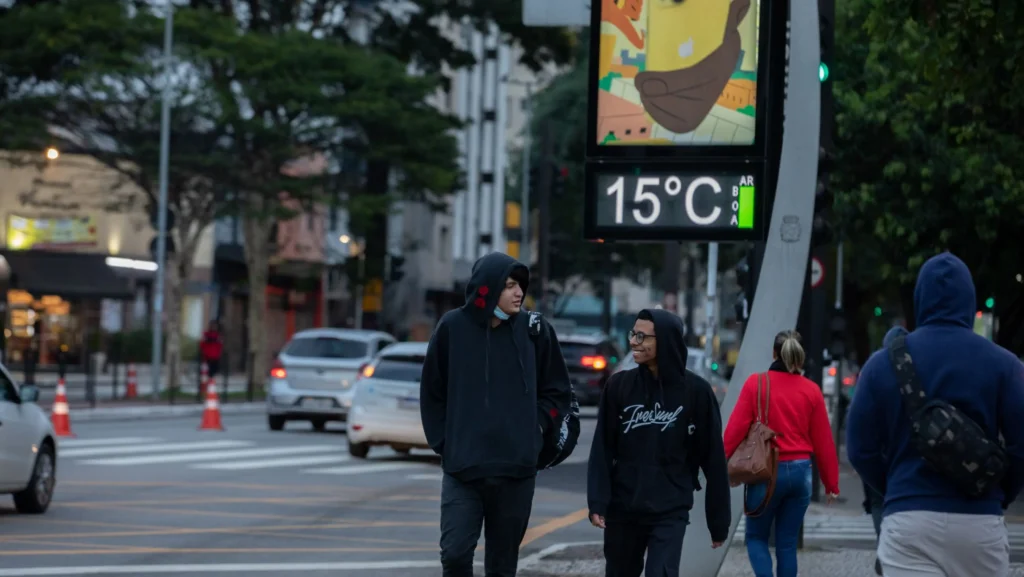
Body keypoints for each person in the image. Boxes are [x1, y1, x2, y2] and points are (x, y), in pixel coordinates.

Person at [847, 252, 1024, 577]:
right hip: (979, 523)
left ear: (920, 300)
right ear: (969, 301)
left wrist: (897, 487)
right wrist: (998, 490)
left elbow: (860, 449)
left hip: (909, 521)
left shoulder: (881, 365)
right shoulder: (1006, 365)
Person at [419, 252, 573, 577]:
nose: (519, 292)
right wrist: (446, 443)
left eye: (521, 285)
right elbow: (432, 392)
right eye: (509, 285)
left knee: (502, 567)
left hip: (516, 472)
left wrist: (537, 428)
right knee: (454, 555)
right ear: (487, 287)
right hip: (463, 470)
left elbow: (557, 391)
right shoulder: (452, 327)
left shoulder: (535, 331)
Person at [587, 309, 731, 577]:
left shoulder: (696, 392)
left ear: (665, 340)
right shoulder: (619, 386)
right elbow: (602, 449)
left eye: (642, 336)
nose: (634, 342)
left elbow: (713, 459)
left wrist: (719, 521)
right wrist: (597, 501)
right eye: (633, 334)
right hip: (623, 508)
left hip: (670, 509)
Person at [723, 330, 840, 577]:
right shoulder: (811, 390)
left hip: (766, 473)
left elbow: (734, 431)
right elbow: (824, 442)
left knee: (756, 537)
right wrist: (831, 484)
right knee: (787, 544)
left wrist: (718, 463)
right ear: (800, 355)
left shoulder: (756, 384)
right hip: (801, 473)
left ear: (774, 353)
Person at [857, 325, 907, 575]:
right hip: (904, 459)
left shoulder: (876, 374)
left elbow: (859, 431)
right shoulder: (918, 375)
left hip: (879, 457)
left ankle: (884, 546)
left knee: (878, 503)